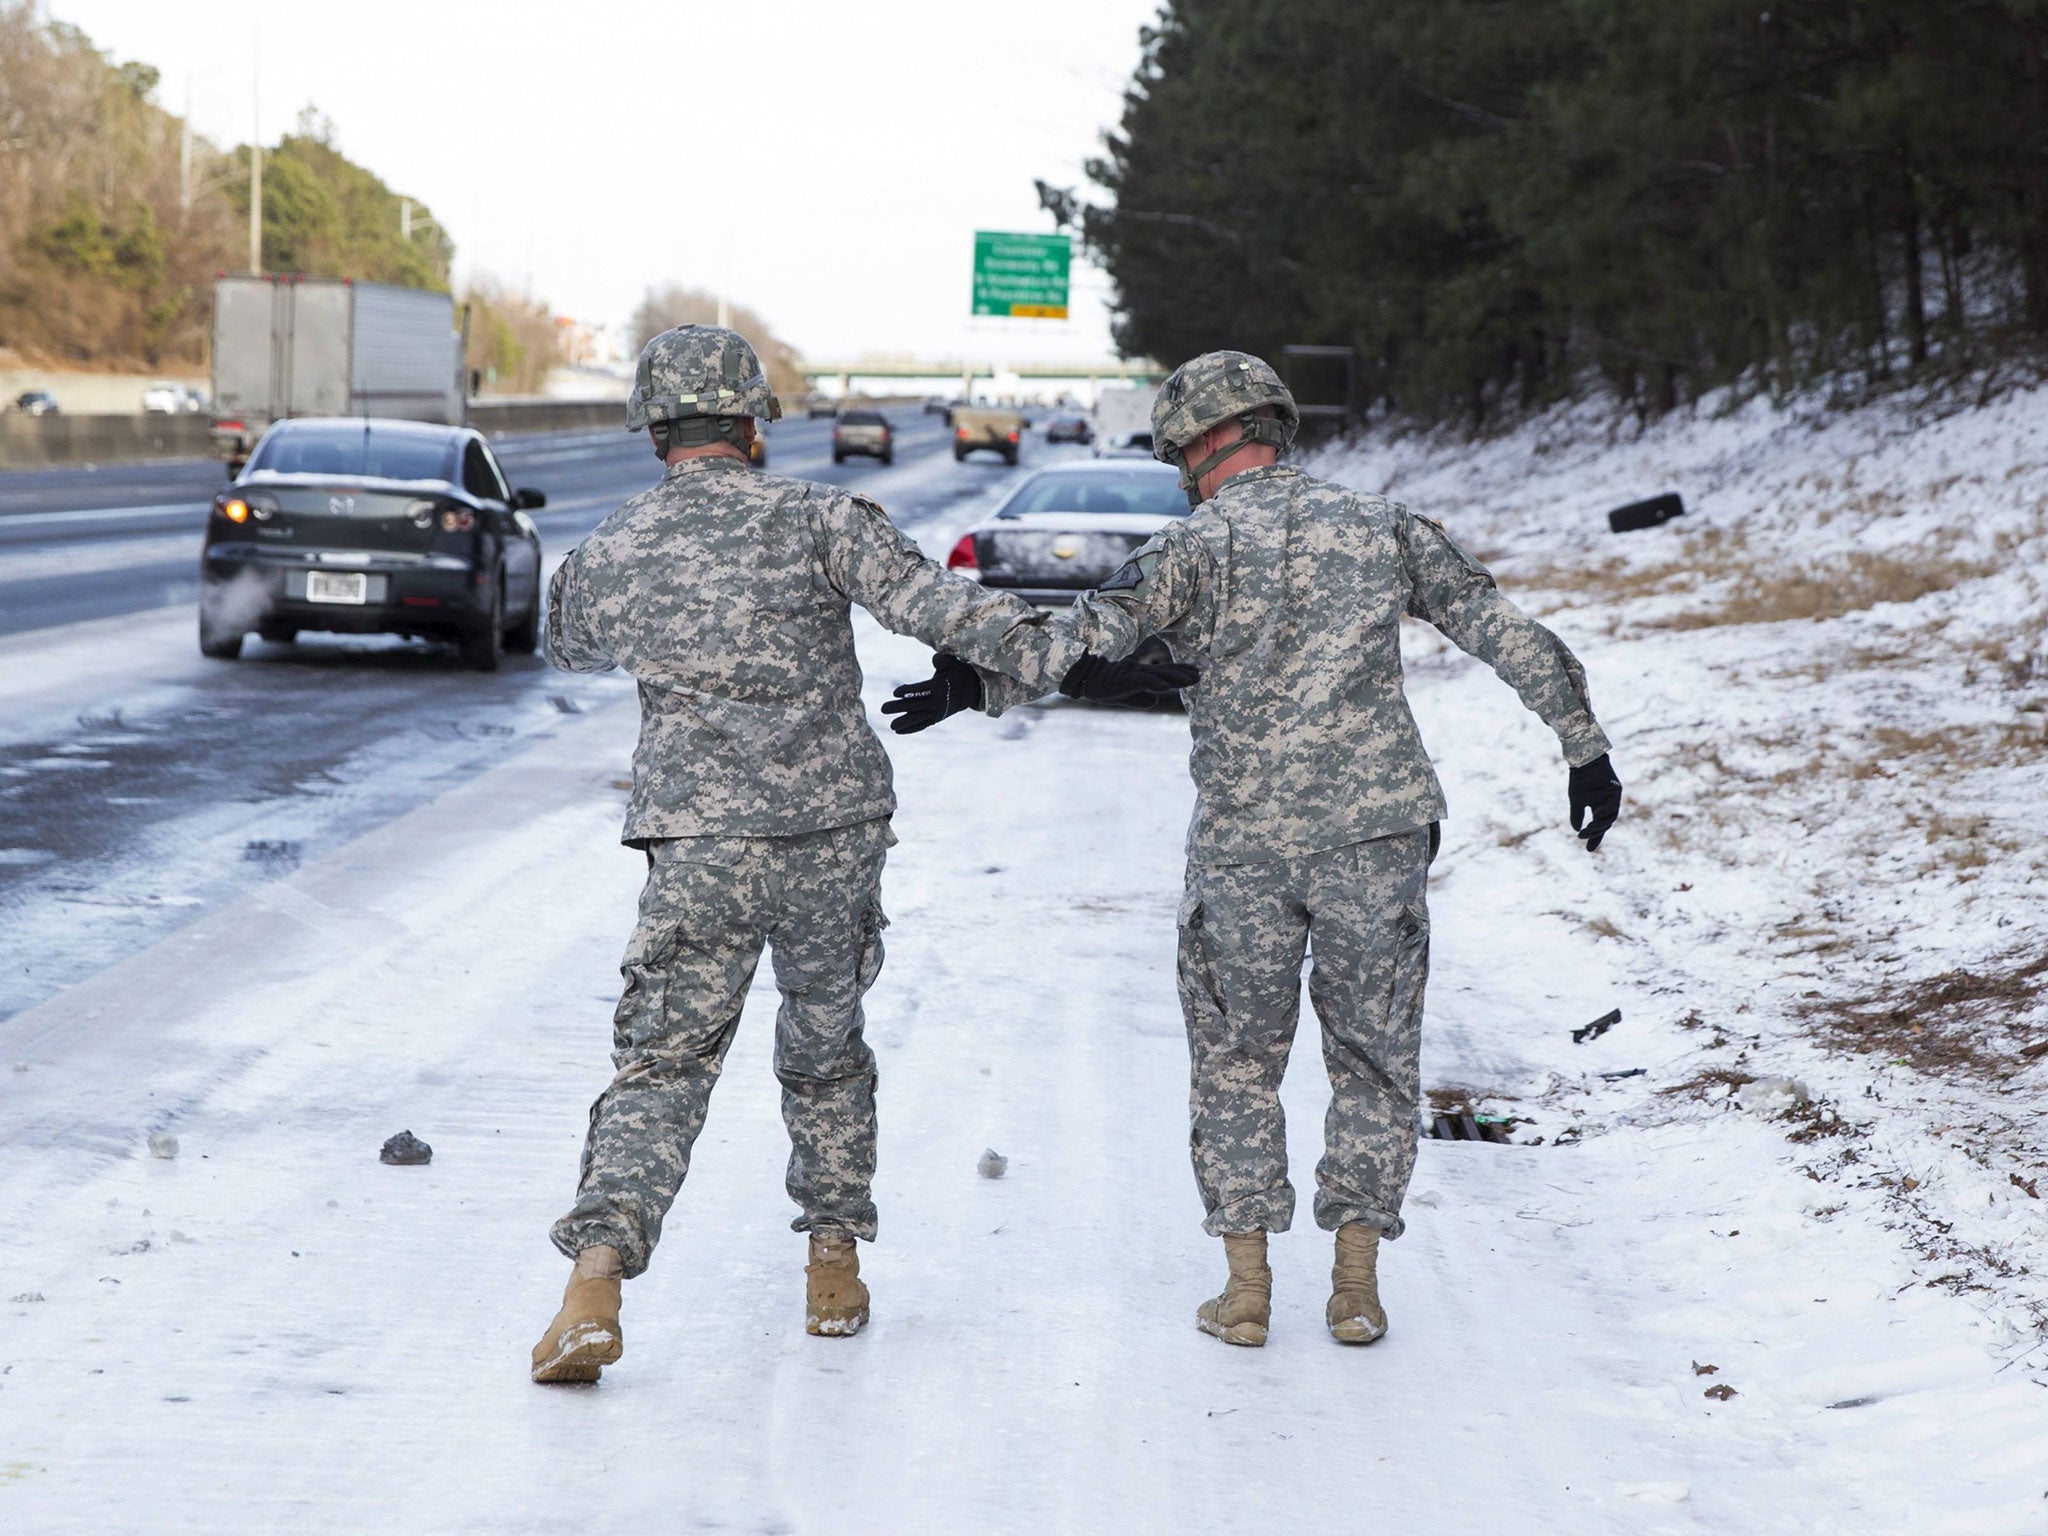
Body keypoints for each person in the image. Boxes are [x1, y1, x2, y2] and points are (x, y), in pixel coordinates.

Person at [895, 351, 1622, 1347]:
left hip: (1243, 848)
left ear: (1199, 442)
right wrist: (1582, 749)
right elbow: (1499, 627)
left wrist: (978, 681)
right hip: (1376, 836)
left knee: (1236, 1064)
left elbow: (1086, 637)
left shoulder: (1191, 548)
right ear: (1272, 425)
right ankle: (1355, 1289)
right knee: (1373, 1061)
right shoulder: (1380, 527)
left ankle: (1244, 1293)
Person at [529, 326, 1192, 1384]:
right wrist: (1042, 661)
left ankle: (593, 1287)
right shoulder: (819, 518)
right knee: (825, 1046)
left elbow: (563, 639)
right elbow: (944, 609)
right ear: (753, 422)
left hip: (698, 842)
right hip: (831, 833)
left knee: (660, 1063)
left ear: (654, 431)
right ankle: (831, 1271)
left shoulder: (613, 546)